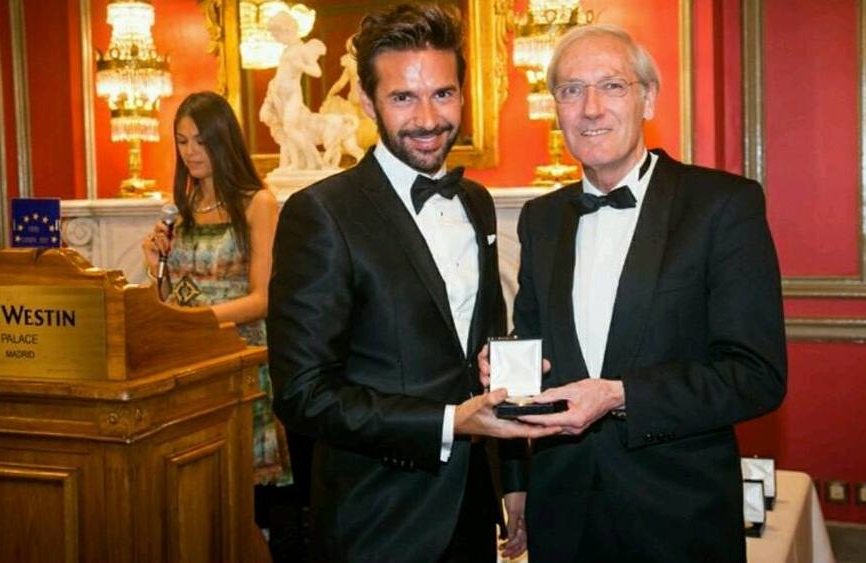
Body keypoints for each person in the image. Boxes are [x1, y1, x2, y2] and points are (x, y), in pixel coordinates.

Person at [483, 24, 788, 562]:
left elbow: (756, 376)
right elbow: (532, 350)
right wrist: (515, 474)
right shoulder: (540, 218)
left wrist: (620, 394)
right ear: (556, 108)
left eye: (612, 86)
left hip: (678, 515)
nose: (591, 108)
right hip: (562, 514)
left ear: (648, 97)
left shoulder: (721, 206)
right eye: (571, 90)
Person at [266, 4, 557, 562]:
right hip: (378, 521)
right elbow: (302, 395)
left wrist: (513, 476)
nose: (428, 118)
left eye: (443, 94)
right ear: (368, 101)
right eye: (404, 98)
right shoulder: (320, 214)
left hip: (473, 511)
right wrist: (448, 422)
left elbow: (490, 352)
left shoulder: (475, 203)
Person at [140, 91, 294, 559]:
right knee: (194, 494)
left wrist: (192, 322)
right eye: (183, 141)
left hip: (239, 365)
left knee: (242, 503)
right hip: (187, 365)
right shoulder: (181, 209)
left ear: (224, 140)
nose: (191, 152)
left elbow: (263, 300)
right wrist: (154, 265)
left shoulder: (258, 203)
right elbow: (163, 301)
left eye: (201, 140)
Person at [259, 11, 326, 171]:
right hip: (279, 97)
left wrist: (299, 65)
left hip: (292, 96)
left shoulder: (302, 49)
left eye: (277, 34)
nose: (276, 38)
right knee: (287, 132)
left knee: (291, 129)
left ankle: (315, 160)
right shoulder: (287, 50)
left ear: (287, 30)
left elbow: (317, 72)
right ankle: (294, 163)